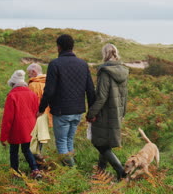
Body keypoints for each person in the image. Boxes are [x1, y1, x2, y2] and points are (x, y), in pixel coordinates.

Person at [37, 34, 96, 167]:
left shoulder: (55, 64)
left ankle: (72, 171)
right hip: (78, 111)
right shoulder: (82, 64)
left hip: (61, 110)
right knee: (69, 141)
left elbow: (49, 90)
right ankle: (70, 170)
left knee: (62, 142)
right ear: (72, 46)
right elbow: (90, 90)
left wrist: (41, 109)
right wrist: (91, 112)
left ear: (59, 47)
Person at [86, 44, 129, 180]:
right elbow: (125, 95)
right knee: (104, 143)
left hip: (104, 113)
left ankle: (121, 172)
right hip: (117, 112)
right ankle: (100, 173)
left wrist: (91, 113)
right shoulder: (123, 70)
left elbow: (102, 97)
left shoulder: (105, 71)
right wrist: (123, 112)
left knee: (100, 144)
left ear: (104, 54)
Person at [0, 70, 42, 179]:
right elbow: (36, 112)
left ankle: (15, 173)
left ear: (13, 84)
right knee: (27, 149)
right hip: (30, 127)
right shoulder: (32, 94)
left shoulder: (12, 96)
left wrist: (3, 137)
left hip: (16, 129)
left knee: (14, 151)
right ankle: (35, 170)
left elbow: (7, 118)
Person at [27, 63, 51, 162]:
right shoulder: (49, 82)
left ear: (34, 72)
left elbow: (29, 103)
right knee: (40, 139)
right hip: (47, 115)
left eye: (29, 73)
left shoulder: (33, 85)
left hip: (35, 116)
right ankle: (39, 160)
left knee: (33, 141)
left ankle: (35, 164)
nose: (28, 76)